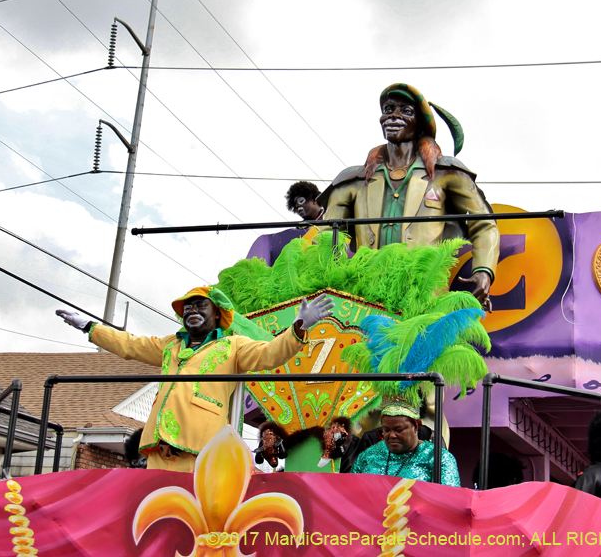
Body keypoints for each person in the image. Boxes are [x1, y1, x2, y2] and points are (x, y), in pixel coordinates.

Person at [57, 287, 332, 472]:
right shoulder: (170, 345)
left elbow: (271, 353)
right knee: (159, 517)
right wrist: (90, 327)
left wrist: (299, 328)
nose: (191, 310)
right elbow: (129, 344)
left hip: (202, 450)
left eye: (200, 305)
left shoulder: (234, 345)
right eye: (187, 308)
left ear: (216, 313)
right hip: (158, 449)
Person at [320, 83, 499, 308]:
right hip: (366, 298)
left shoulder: (447, 173)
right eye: (388, 109)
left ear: (421, 124)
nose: (393, 116)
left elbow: (484, 224)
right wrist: (325, 279)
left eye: (406, 111)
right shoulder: (352, 182)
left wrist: (484, 270)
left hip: (424, 297)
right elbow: (326, 237)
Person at [351, 397, 459, 486]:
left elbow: (449, 502)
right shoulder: (368, 456)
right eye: (386, 430)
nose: (392, 435)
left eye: (399, 430)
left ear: (416, 426)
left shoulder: (438, 458)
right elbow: (352, 495)